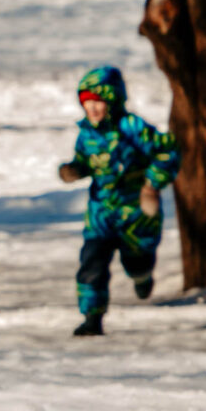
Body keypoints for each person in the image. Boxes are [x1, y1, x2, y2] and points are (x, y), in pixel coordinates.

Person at [57, 65, 177, 337]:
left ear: (113, 101)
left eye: (99, 102)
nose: (94, 109)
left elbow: (167, 152)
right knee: (92, 263)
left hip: (137, 214)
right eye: (87, 103)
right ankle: (92, 318)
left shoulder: (133, 128)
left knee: (137, 262)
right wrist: (74, 170)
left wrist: (152, 186)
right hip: (101, 214)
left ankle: (142, 276)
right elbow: (85, 162)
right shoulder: (87, 134)